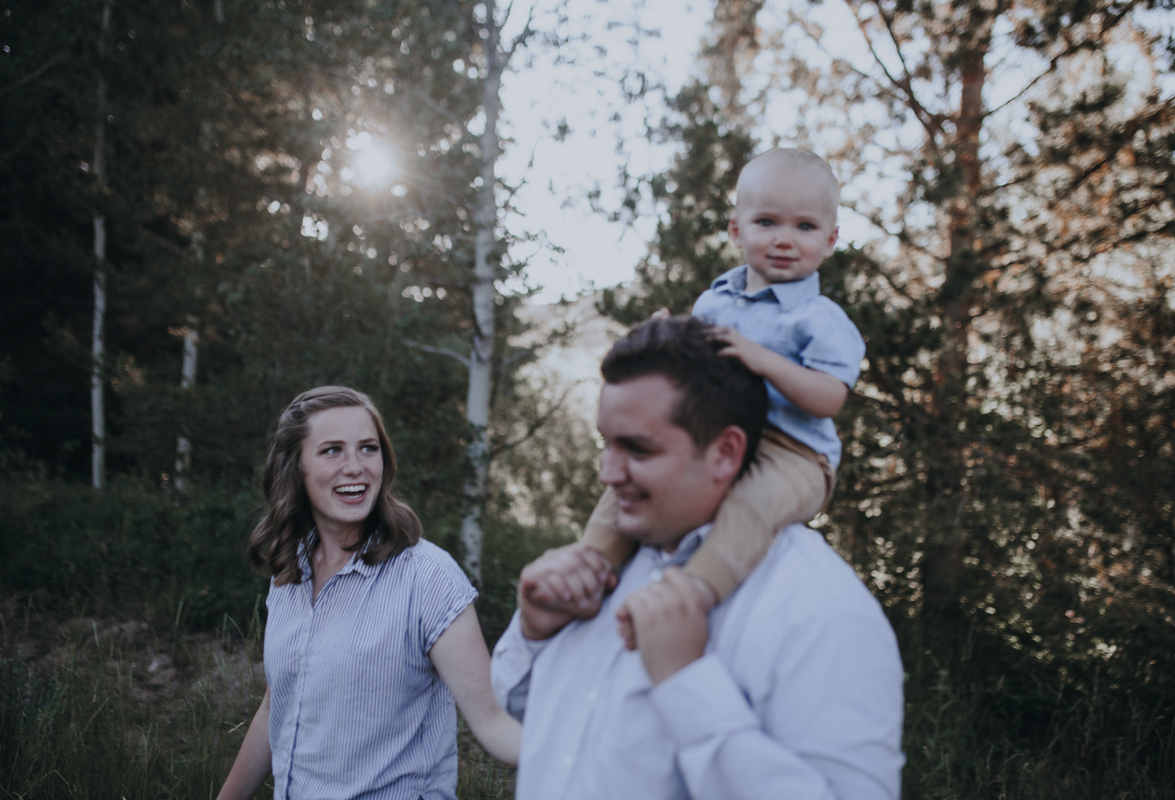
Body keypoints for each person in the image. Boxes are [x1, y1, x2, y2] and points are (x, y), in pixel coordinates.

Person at [492, 316, 904, 800]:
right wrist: (535, 633)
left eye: (638, 450)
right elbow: (535, 722)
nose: (607, 473)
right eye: (606, 443)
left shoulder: (822, 612)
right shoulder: (598, 568)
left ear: (726, 452)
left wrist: (687, 684)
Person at [572, 148, 866, 617]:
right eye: (767, 222)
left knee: (752, 505)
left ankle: (690, 595)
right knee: (628, 482)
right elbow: (692, 365)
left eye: (805, 227)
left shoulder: (821, 320)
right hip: (715, 435)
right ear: (736, 230)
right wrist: (661, 334)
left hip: (794, 451)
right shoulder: (716, 301)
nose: (785, 239)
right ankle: (587, 567)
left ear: (830, 240)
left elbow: (829, 399)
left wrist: (763, 360)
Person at [217, 386, 519, 800]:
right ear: (296, 467)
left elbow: (494, 721)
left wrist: (602, 749)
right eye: (332, 451)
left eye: (368, 448)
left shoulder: (428, 577)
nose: (356, 467)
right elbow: (280, 705)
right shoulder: (289, 573)